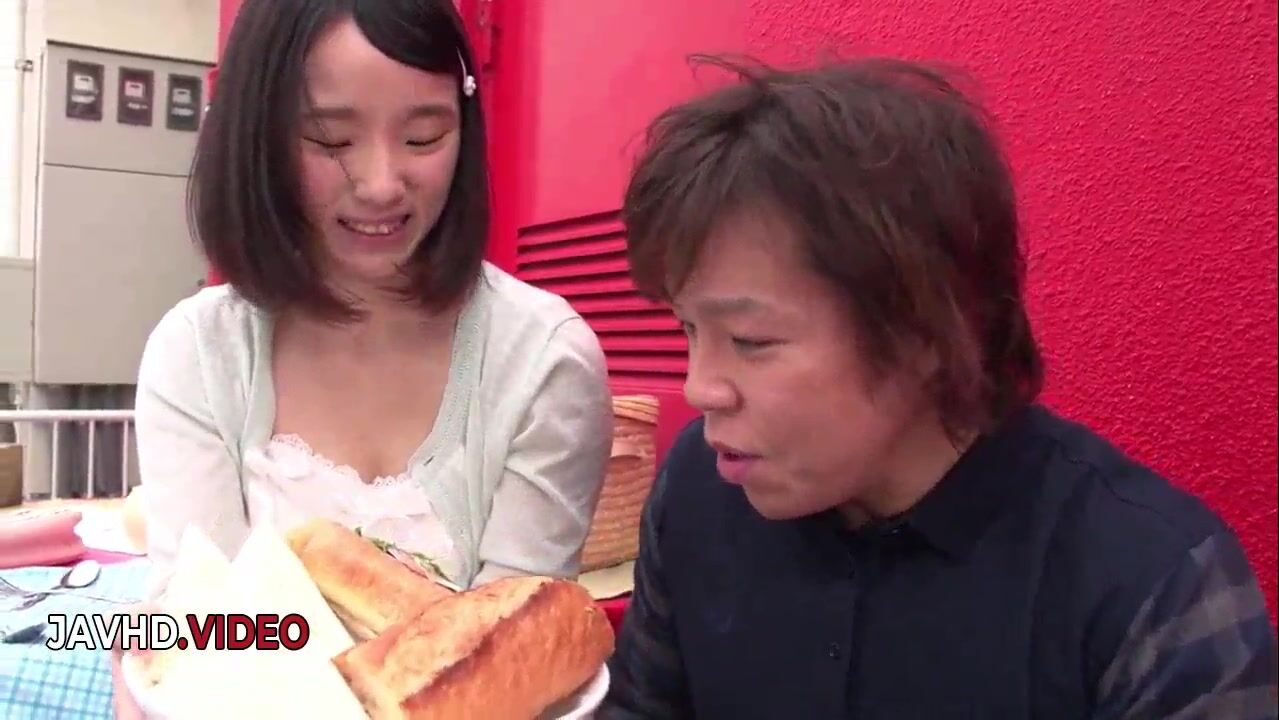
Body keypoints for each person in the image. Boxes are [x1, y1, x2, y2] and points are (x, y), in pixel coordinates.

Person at [601, 56, 1277, 719]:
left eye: (750, 340)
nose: (700, 388)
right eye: (689, 328)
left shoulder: (1152, 585)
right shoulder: (695, 491)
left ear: (924, 329)